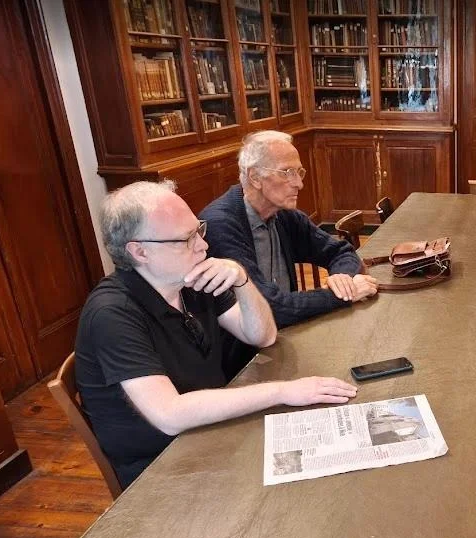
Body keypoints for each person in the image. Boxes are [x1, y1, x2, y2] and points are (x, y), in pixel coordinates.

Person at [75, 181, 358, 489]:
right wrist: (283, 391)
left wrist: (242, 281)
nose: (203, 246)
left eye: (199, 230)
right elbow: (169, 414)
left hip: (213, 432)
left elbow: (262, 336)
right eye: (186, 239)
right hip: (162, 473)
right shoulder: (112, 313)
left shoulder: (191, 279)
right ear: (140, 251)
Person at [201, 130, 377, 329]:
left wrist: (343, 280)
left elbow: (341, 252)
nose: (299, 184)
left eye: (299, 172)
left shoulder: (283, 214)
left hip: (288, 333)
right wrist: (341, 295)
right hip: (246, 345)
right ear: (255, 177)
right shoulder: (221, 225)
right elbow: (269, 307)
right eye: (287, 173)